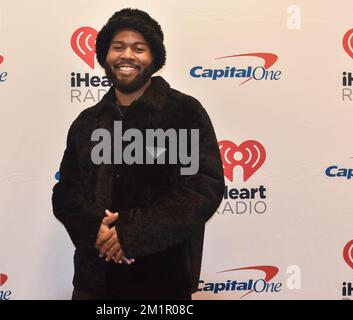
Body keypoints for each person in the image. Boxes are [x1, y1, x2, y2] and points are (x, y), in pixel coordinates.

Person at [52, 8, 225, 300]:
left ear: (154, 58)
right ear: (105, 57)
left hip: (161, 280)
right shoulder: (87, 122)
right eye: (118, 47)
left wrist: (131, 234)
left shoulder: (183, 113)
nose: (127, 56)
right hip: (94, 281)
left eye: (139, 48)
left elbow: (202, 188)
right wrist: (97, 230)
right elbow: (66, 190)